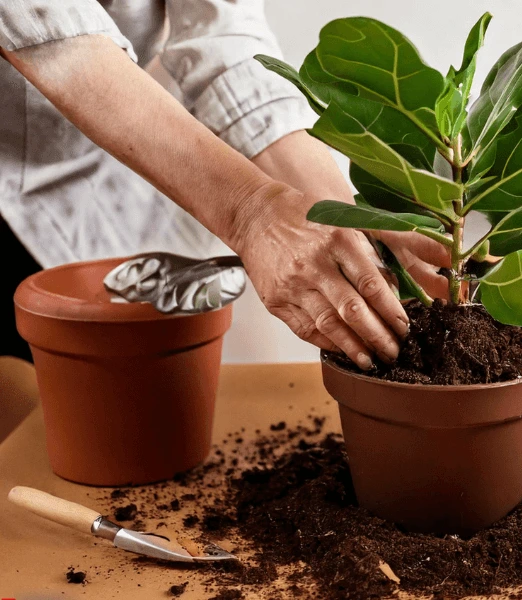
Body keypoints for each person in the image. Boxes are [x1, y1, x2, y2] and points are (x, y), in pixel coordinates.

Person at [0, 1, 449, 367]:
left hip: (116, 159)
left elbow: (222, 36)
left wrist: (340, 213)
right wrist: (251, 212)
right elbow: (45, 28)